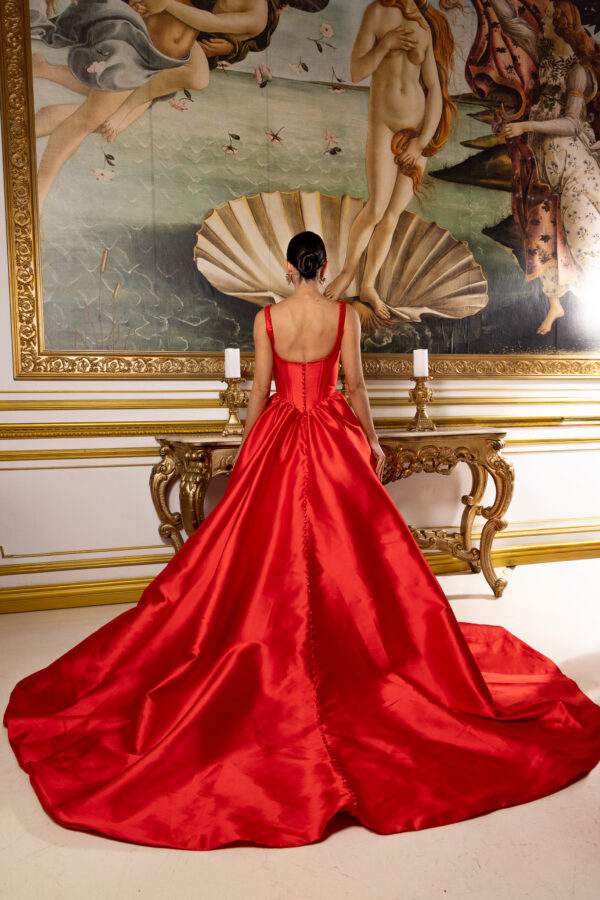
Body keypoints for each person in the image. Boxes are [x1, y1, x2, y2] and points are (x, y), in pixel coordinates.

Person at [4, 231, 600, 851]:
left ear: (290, 268)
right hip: (334, 435)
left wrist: (247, 451)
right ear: (325, 266)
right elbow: (356, 387)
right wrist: (371, 442)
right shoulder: (345, 316)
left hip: (282, 434)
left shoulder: (268, 320)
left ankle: (270, 649)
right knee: (357, 556)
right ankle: (360, 649)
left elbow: (260, 392)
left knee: (264, 556)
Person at [325, 0, 458, 326]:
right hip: (384, 127)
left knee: (393, 214)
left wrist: (422, 141)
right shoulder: (376, 13)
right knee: (375, 208)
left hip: (416, 133)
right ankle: (347, 273)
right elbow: (357, 71)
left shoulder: (424, 24)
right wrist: (386, 43)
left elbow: (434, 90)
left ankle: (368, 286)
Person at [488, 0, 600, 334]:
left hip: (573, 171)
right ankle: (555, 303)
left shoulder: (577, 70)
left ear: (562, 24)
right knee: (542, 233)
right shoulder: (545, 53)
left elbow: (571, 123)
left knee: (583, 242)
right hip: (546, 167)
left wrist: (526, 126)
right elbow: (510, 22)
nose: (543, 18)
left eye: (550, 16)